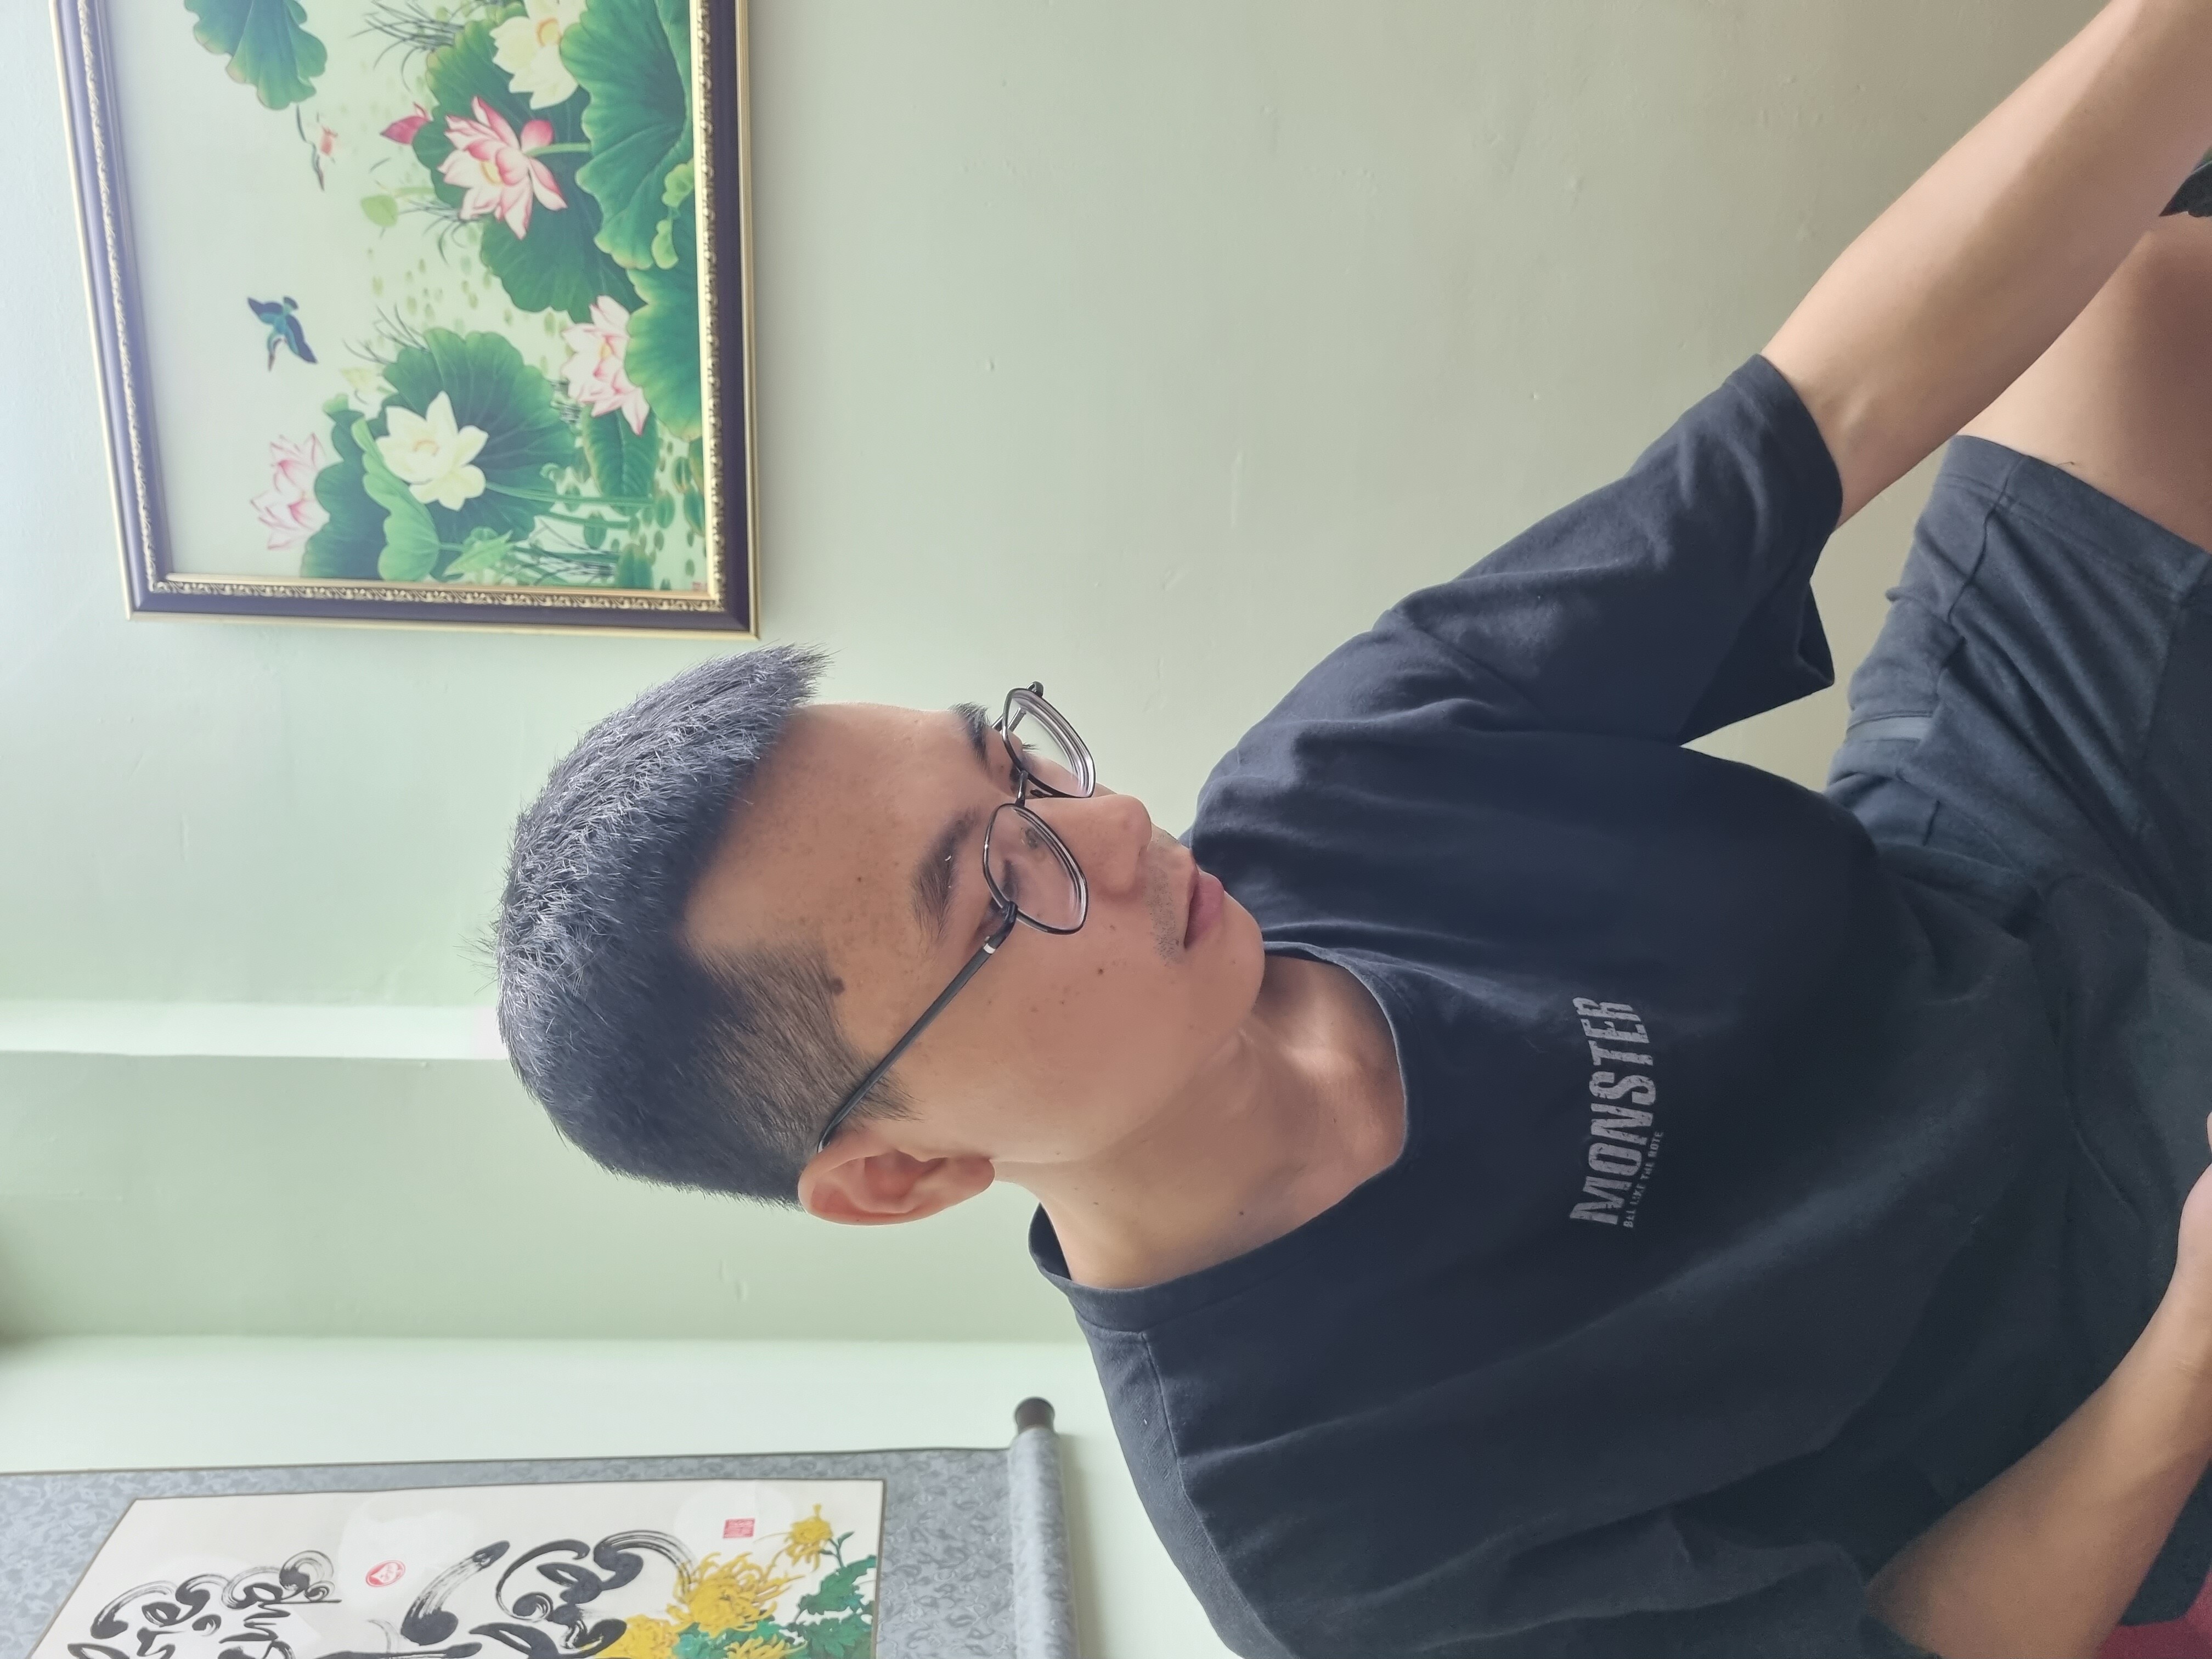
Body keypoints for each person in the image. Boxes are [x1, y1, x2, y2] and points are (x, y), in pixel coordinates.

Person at [493, 1, 2212, 1651]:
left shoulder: (1337, 778)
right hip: (2106, 1314)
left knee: (2154, 268)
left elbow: (1824, 410)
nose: (1114, 821)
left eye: (1016, 765)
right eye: (1003, 887)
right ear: (902, 1172)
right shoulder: (1322, 1528)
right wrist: (2187, 1357)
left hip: (1979, 872)